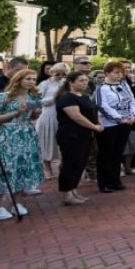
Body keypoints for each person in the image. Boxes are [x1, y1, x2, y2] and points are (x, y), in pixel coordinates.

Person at [0, 68, 44, 220]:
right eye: (28, 79)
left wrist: (35, 113)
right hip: (7, 135)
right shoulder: (3, 97)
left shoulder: (33, 97)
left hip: (26, 135)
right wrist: (16, 113)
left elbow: (31, 117)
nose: (32, 82)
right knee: (1, 168)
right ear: (18, 80)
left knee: (21, 168)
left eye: (34, 79)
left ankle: (17, 203)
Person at [55, 71, 102, 206]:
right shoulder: (67, 98)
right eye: (81, 80)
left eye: (86, 81)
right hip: (71, 136)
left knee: (80, 164)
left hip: (85, 136)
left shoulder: (84, 96)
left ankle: (74, 190)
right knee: (70, 165)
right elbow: (76, 117)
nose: (85, 83)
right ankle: (67, 194)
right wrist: (94, 126)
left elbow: (94, 111)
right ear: (71, 82)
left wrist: (99, 123)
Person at [95, 61, 135, 193]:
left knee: (118, 153)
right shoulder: (101, 88)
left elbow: (132, 100)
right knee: (106, 154)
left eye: (121, 73)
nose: (119, 75)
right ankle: (105, 183)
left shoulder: (124, 85)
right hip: (109, 125)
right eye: (116, 72)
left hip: (126, 123)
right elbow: (102, 106)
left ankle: (116, 180)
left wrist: (132, 115)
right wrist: (120, 119)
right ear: (107, 73)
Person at [36, 62, 68, 181]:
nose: (60, 76)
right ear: (52, 73)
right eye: (58, 73)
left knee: (61, 143)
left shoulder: (65, 83)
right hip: (48, 114)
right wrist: (54, 97)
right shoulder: (45, 84)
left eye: (63, 74)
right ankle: (47, 169)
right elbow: (38, 101)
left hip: (63, 115)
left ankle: (62, 166)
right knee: (47, 141)